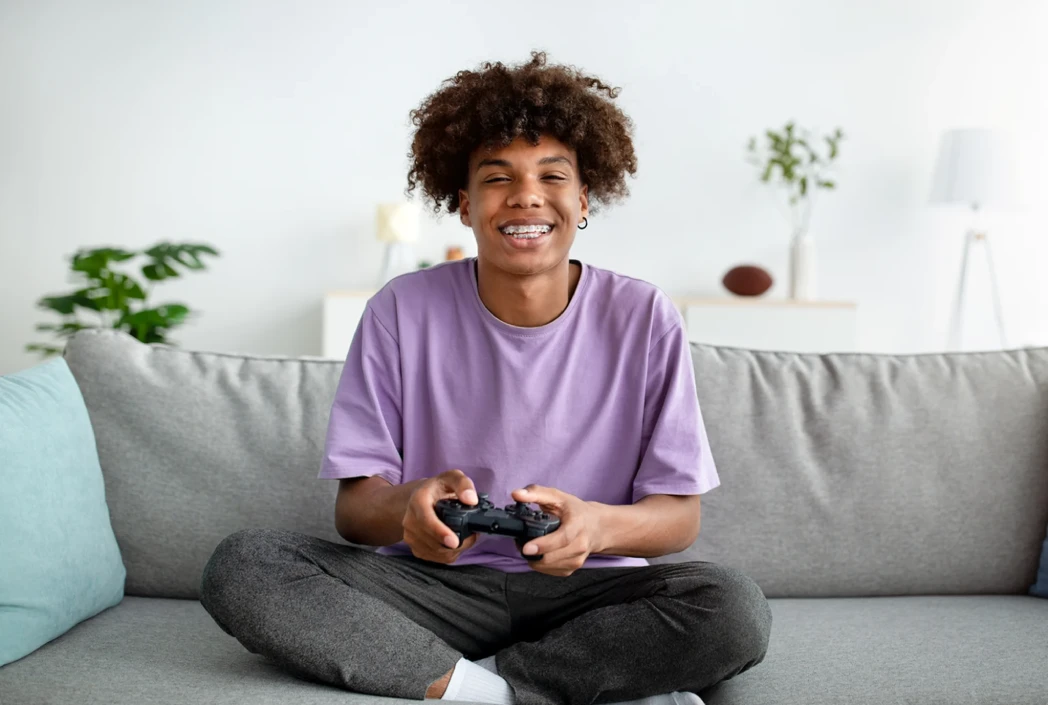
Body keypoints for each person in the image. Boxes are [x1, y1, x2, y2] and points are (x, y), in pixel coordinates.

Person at [200, 51, 771, 705]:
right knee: (244, 565)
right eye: (498, 179)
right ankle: (516, 691)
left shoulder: (644, 316)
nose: (526, 194)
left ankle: (464, 682)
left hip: (586, 591)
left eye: (551, 176)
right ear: (465, 204)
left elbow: (678, 516)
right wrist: (411, 510)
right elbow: (356, 511)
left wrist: (595, 527)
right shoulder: (400, 310)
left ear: (583, 199)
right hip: (431, 588)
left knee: (733, 608)